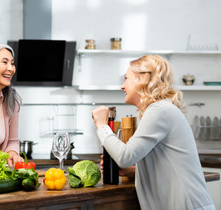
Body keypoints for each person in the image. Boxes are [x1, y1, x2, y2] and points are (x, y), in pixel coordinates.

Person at [92, 55, 215, 210]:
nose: (122, 86)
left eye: (126, 78)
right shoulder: (161, 109)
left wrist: (102, 126)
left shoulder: (159, 110)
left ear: (142, 79)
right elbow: (163, 164)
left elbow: (125, 157)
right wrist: (131, 171)